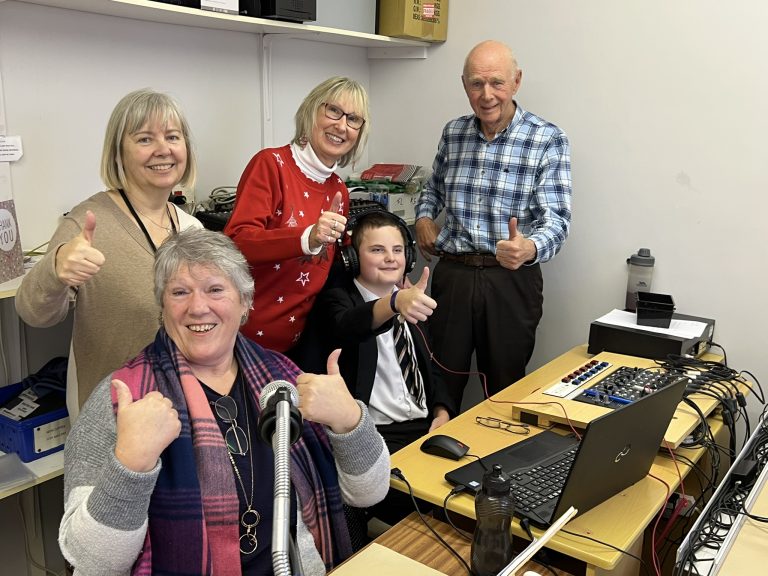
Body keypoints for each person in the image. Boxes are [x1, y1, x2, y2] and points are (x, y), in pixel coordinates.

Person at [58, 228, 390, 576]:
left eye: (215, 289)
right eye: (179, 292)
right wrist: (130, 464)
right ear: (163, 306)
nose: (198, 307)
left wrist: (351, 421)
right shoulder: (120, 399)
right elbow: (90, 563)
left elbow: (370, 492)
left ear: (245, 302)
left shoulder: (283, 378)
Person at [15, 88, 202, 418]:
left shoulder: (190, 227)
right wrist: (55, 270)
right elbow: (33, 312)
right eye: (145, 139)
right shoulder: (88, 222)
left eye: (172, 137)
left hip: (180, 408)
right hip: (112, 417)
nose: (163, 149)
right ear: (118, 153)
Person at [415, 40, 572, 402]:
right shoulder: (453, 133)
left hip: (511, 280)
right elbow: (432, 189)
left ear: (516, 82)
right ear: (464, 84)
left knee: (504, 390)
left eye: (497, 83)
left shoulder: (547, 138)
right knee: (439, 382)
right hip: (452, 276)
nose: (487, 95)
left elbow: (558, 220)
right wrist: (424, 217)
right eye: (476, 84)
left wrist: (529, 247)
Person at [224, 76, 369, 370]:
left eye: (353, 119)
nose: (342, 126)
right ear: (311, 112)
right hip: (243, 344)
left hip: (298, 347)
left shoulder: (338, 189)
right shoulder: (271, 165)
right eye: (333, 112)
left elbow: (334, 263)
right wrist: (307, 237)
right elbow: (237, 242)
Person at [317, 210, 460, 455]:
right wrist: (394, 303)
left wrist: (442, 411)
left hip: (425, 427)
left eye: (397, 250)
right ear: (353, 258)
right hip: (374, 434)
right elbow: (349, 325)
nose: (390, 258)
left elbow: (431, 369)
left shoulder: (410, 298)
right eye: (377, 250)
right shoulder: (337, 301)